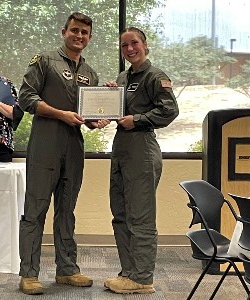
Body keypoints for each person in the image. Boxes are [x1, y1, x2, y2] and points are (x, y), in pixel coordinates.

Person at [18, 12, 109, 295]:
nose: (79, 36)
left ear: (90, 38)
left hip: (73, 147)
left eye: (84, 32)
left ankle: (67, 269)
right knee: (35, 210)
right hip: (45, 144)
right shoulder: (44, 61)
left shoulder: (90, 73)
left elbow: (88, 115)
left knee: (66, 211)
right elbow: (26, 98)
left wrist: (99, 119)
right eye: (74, 30)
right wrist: (61, 114)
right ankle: (29, 274)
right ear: (64, 31)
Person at [103, 27, 179, 294]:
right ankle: (129, 273)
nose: (129, 49)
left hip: (142, 148)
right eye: (124, 46)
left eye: (134, 43)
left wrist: (136, 120)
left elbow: (169, 110)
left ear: (145, 45)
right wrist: (111, 97)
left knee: (141, 217)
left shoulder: (155, 76)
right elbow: (121, 110)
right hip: (121, 147)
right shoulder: (124, 77)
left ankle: (143, 277)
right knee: (120, 214)